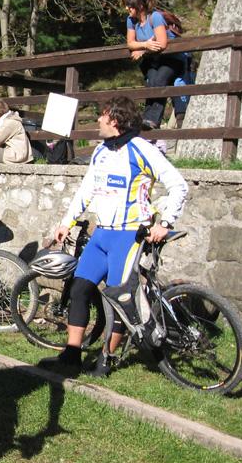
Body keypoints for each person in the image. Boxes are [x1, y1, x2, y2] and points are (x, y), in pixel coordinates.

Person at [39, 96, 188, 375]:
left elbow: (178, 185)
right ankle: (71, 356)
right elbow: (87, 189)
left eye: (102, 115)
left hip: (128, 235)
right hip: (102, 234)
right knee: (80, 289)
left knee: (119, 298)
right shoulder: (101, 151)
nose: (97, 120)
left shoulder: (141, 149)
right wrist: (67, 221)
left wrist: (165, 222)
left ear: (115, 120)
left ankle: (106, 358)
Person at [124, 0, 187, 132]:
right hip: (153, 59)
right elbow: (130, 43)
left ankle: (152, 120)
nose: (127, 8)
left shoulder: (155, 17)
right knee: (151, 83)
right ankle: (148, 120)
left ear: (140, 6)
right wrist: (145, 45)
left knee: (158, 81)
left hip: (172, 59)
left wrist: (142, 50)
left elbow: (162, 43)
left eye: (130, 5)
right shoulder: (131, 20)